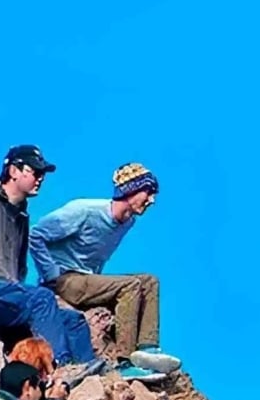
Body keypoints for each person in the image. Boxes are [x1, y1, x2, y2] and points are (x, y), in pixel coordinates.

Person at [0, 145, 100, 371]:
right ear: (13, 171)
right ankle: (60, 367)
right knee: (41, 299)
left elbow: (20, 268)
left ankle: (90, 375)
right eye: (35, 172)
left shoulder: (21, 217)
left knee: (73, 321)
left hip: (2, 296)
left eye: (42, 174)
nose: (40, 179)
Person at [27, 162, 181, 382]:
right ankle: (124, 362)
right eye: (148, 193)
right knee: (130, 286)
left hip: (86, 279)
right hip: (64, 279)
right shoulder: (85, 211)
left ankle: (148, 349)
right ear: (131, 189)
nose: (152, 200)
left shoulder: (127, 223)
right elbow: (36, 235)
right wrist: (51, 273)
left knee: (149, 281)